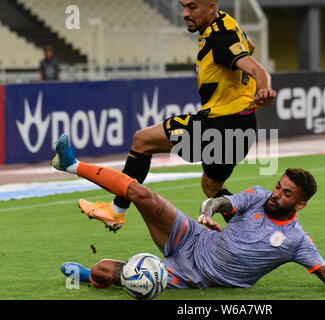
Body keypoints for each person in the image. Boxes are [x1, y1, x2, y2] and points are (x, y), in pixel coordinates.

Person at [53, 134, 325, 295]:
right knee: (142, 194)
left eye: (286, 194)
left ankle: (90, 279)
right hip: (191, 235)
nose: (276, 195)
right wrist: (207, 210)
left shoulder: (296, 241)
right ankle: (71, 165)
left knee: (103, 269)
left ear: (300, 205)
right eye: (278, 186)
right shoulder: (257, 196)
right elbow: (221, 204)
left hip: (194, 276)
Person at [77, 0, 277, 232]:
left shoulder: (219, 39)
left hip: (219, 126)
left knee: (142, 140)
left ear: (211, 7)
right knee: (211, 187)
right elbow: (248, 46)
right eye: (183, 6)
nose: (184, 13)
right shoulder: (227, 22)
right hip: (243, 125)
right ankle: (258, 235)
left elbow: (257, 69)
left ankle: (117, 210)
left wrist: (263, 89)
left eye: (192, 7)